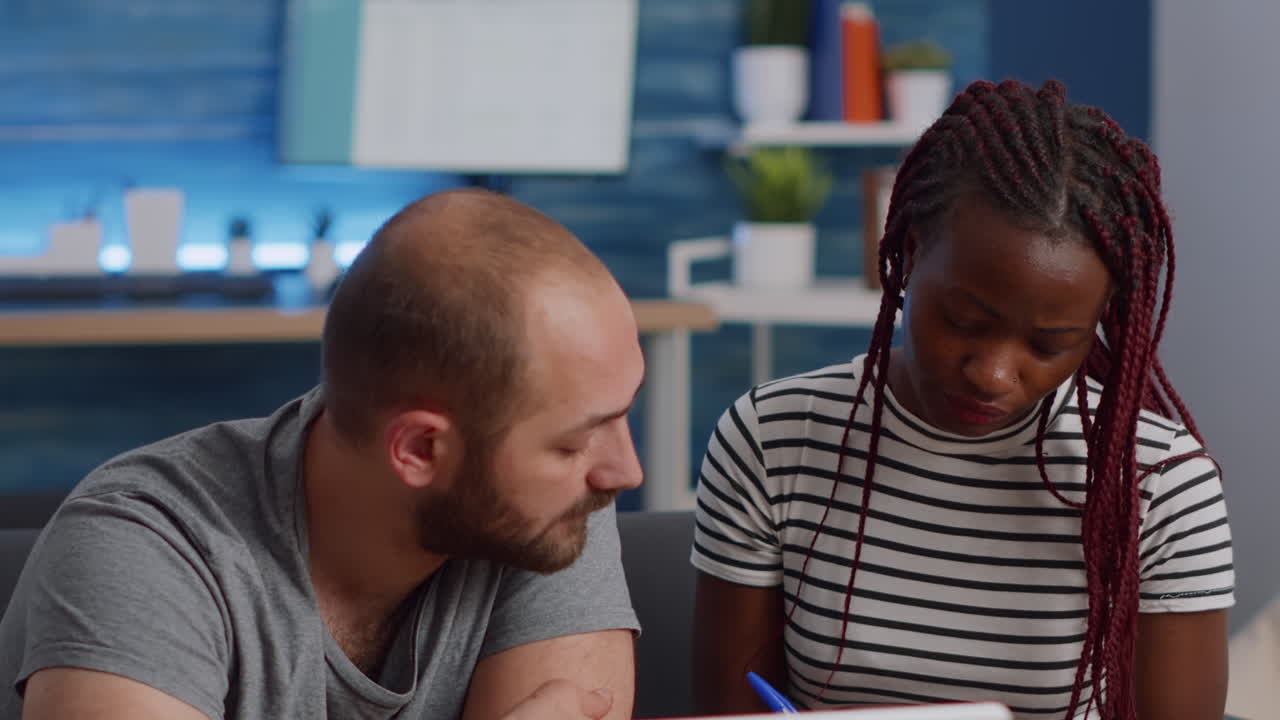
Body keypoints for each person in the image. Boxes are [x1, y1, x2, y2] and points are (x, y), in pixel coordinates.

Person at [690, 79, 1233, 720]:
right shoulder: (773, 437)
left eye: (1050, 343)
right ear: (911, 251)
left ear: (1100, 323)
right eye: (966, 322)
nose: (994, 374)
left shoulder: (1159, 483)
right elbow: (735, 706)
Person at [0, 188, 647, 720]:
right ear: (421, 448)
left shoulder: (551, 511)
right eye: (572, 442)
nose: (625, 471)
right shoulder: (143, 547)